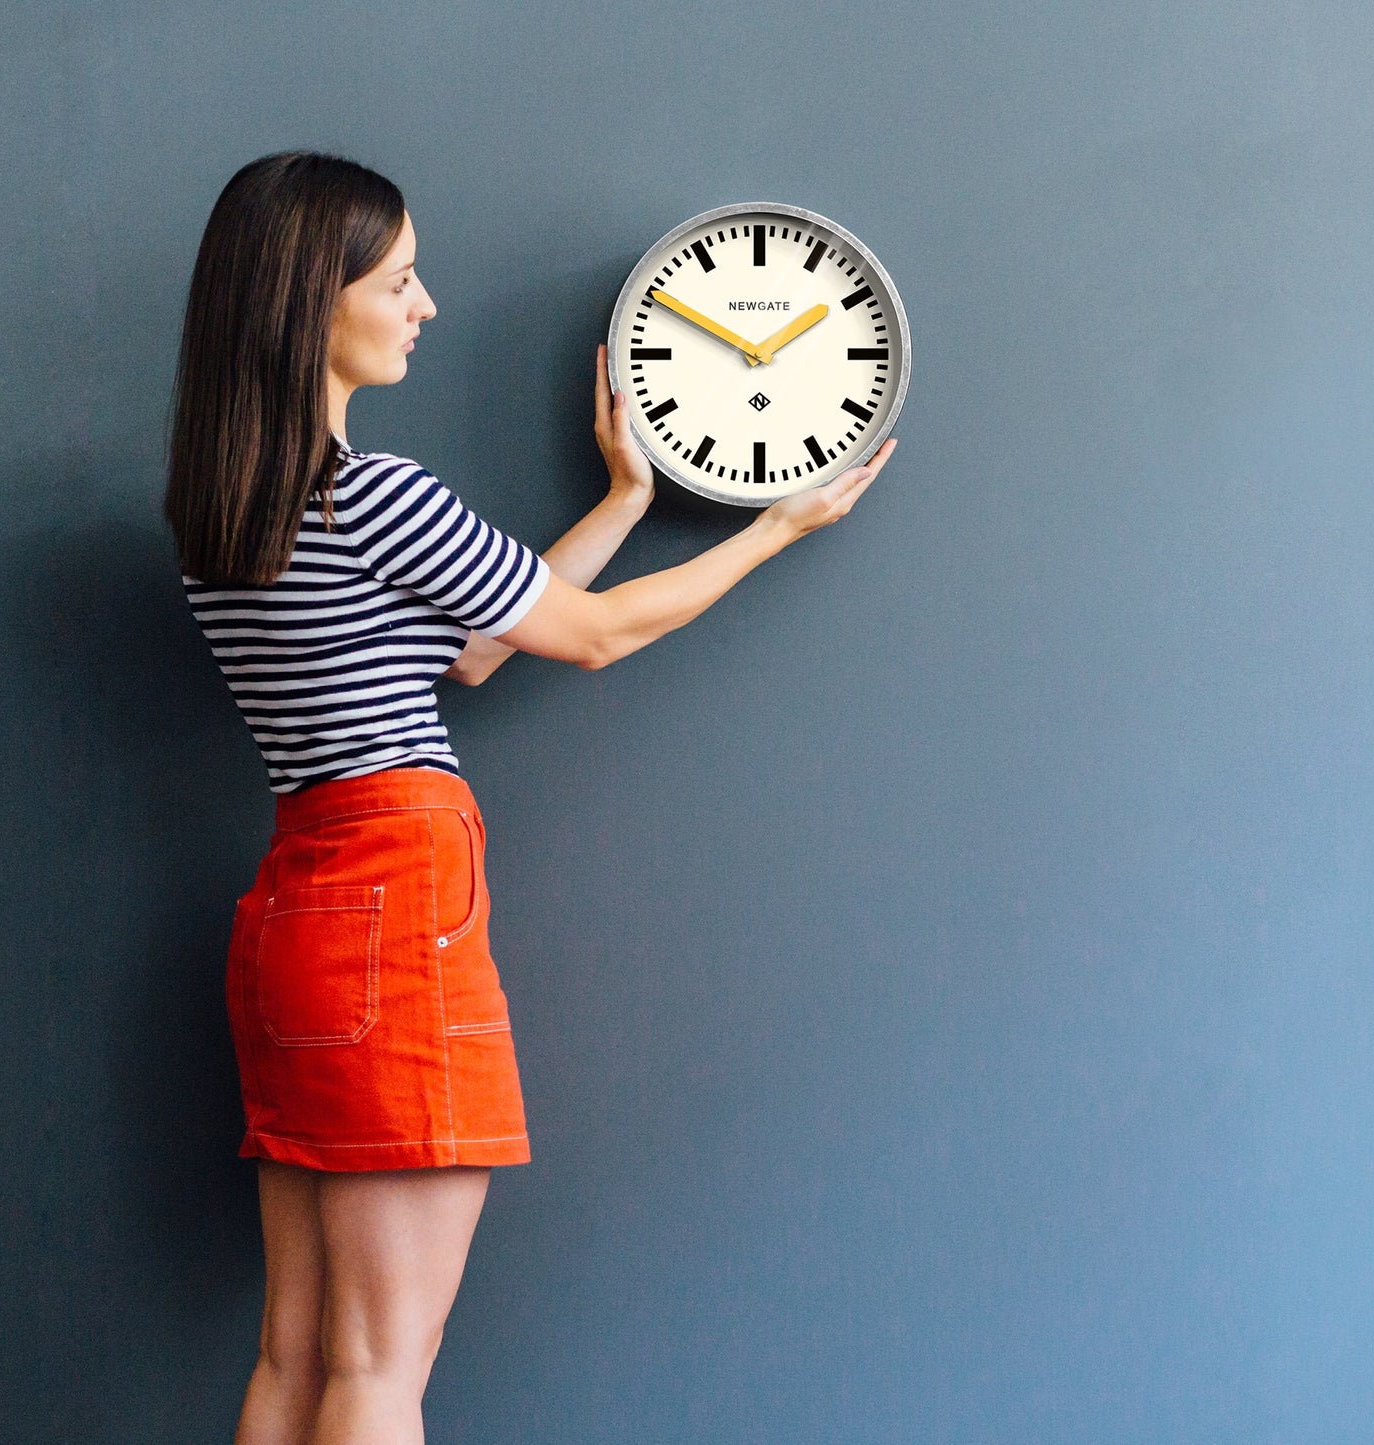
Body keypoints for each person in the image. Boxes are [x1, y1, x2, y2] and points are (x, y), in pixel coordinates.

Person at [163, 150, 896, 1445]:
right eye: (398, 280)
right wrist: (775, 528)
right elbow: (595, 638)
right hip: (394, 913)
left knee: (297, 1358)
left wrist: (623, 498)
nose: (424, 304)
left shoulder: (227, 514)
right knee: (383, 1368)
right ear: (305, 301)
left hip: (298, 919)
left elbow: (480, 646)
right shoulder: (371, 493)